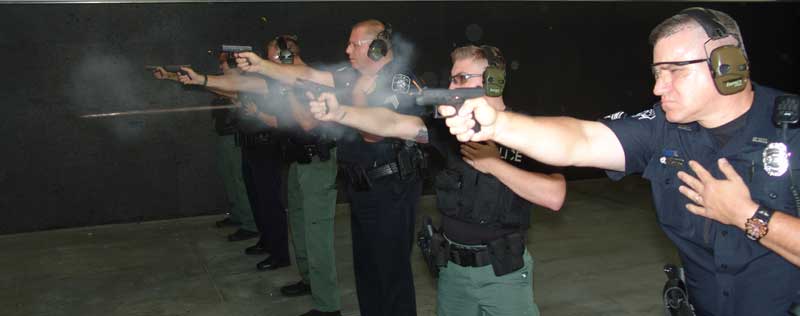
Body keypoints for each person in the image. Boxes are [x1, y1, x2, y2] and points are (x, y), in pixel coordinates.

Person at [442, 7, 800, 316]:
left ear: (727, 65)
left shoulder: (791, 129)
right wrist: (498, 124)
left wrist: (748, 216)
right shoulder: (662, 127)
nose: (659, 88)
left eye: (675, 71)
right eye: (657, 72)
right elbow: (582, 140)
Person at [309, 45, 565, 316]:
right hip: (453, 273)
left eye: (461, 78)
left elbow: (554, 195)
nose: (452, 88)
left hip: (503, 276)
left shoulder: (525, 131)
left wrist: (493, 164)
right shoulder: (450, 129)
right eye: (452, 79)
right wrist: (341, 113)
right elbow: (393, 123)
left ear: (493, 80)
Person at [236, 20, 423, 316]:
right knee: (367, 271)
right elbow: (308, 75)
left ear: (377, 48)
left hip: (391, 188)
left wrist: (344, 106)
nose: (347, 50)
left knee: (391, 274)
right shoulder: (354, 76)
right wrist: (262, 66)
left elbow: (377, 130)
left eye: (355, 44)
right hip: (362, 186)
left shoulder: (397, 80)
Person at [178, 45, 291, 271]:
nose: (233, 64)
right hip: (251, 146)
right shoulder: (252, 81)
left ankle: (279, 254)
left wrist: (200, 79)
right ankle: (267, 241)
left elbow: (234, 85)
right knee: (257, 200)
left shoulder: (264, 81)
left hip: (265, 147)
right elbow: (229, 87)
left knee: (269, 202)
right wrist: (195, 80)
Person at [150, 56, 258, 242]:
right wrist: (169, 75)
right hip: (226, 136)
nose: (220, 66)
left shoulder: (244, 82)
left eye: (223, 62)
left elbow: (214, 86)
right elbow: (203, 83)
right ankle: (239, 215)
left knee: (240, 182)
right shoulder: (225, 80)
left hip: (237, 137)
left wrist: (197, 80)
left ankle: (250, 224)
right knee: (231, 181)